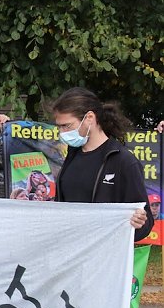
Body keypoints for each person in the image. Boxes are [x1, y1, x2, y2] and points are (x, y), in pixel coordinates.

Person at [51, 87, 151, 241]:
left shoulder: (124, 162)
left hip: (103, 258)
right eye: (59, 127)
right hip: (69, 253)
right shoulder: (72, 155)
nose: (62, 132)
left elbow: (145, 224)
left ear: (90, 117)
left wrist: (138, 223)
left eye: (67, 126)